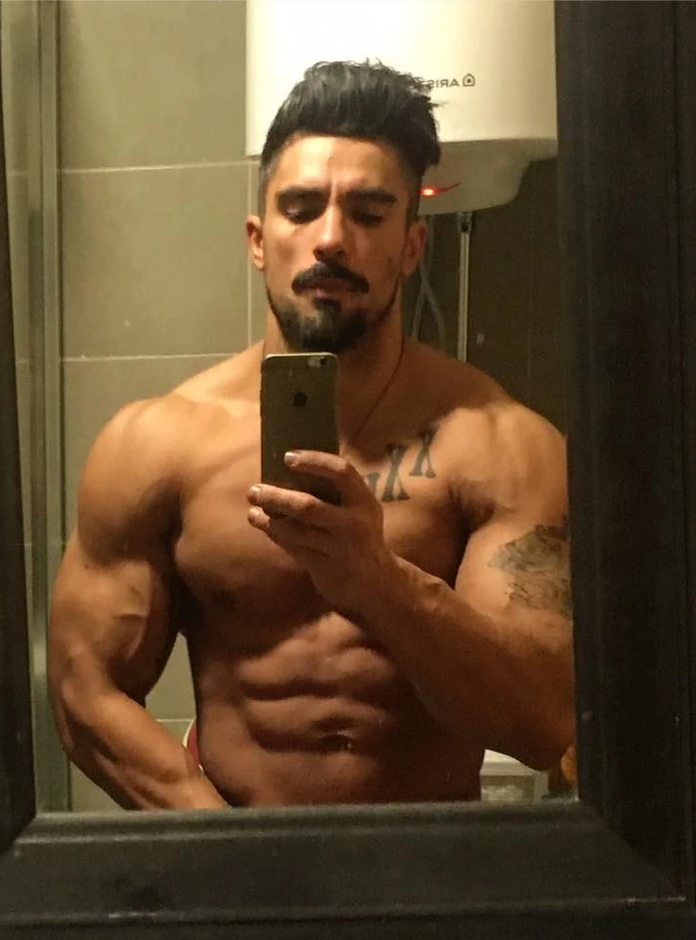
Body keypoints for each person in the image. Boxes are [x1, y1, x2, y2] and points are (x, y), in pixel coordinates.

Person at [48, 60, 574, 810]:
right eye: (300, 209)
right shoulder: (158, 445)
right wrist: (221, 845)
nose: (330, 239)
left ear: (412, 246)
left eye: (368, 213)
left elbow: (547, 722)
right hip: (232, 854)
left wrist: (379, 583)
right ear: (258, 239)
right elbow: (84, 690)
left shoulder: (502, 448)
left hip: (427, 865)